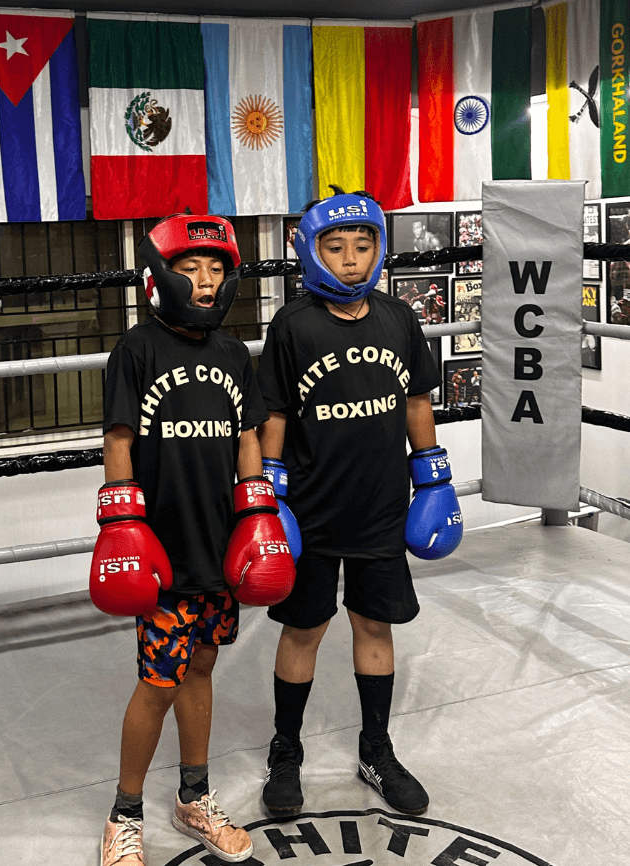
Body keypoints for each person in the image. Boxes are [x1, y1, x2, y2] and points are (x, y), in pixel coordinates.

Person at [92, 214, 295, 866]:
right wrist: (123, 527)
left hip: (218, 546)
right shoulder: (137, 350)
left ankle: (193, 798)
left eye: (214, 270)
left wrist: (258, 513)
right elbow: (120, 439)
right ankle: (124, 816)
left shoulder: (234, 355)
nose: (205, 282)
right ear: (163, 277)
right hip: (162, 549)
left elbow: (247, 438)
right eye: (190, 270)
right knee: (157, 682)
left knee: (203, 666)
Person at [256, 187, 463, 820]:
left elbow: (417, 401)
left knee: (375, 626)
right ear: (312, 253)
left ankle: (377, 749)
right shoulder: (292, 323)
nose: (350, 259)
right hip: (314, 509)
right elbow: (275, 412)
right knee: (304, 629)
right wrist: (270, 493)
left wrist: (433, 477)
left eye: (362, 245)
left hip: (381, 506)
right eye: (336, 247)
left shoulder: (399, 317)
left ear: (378, 249)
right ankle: (284, 752)